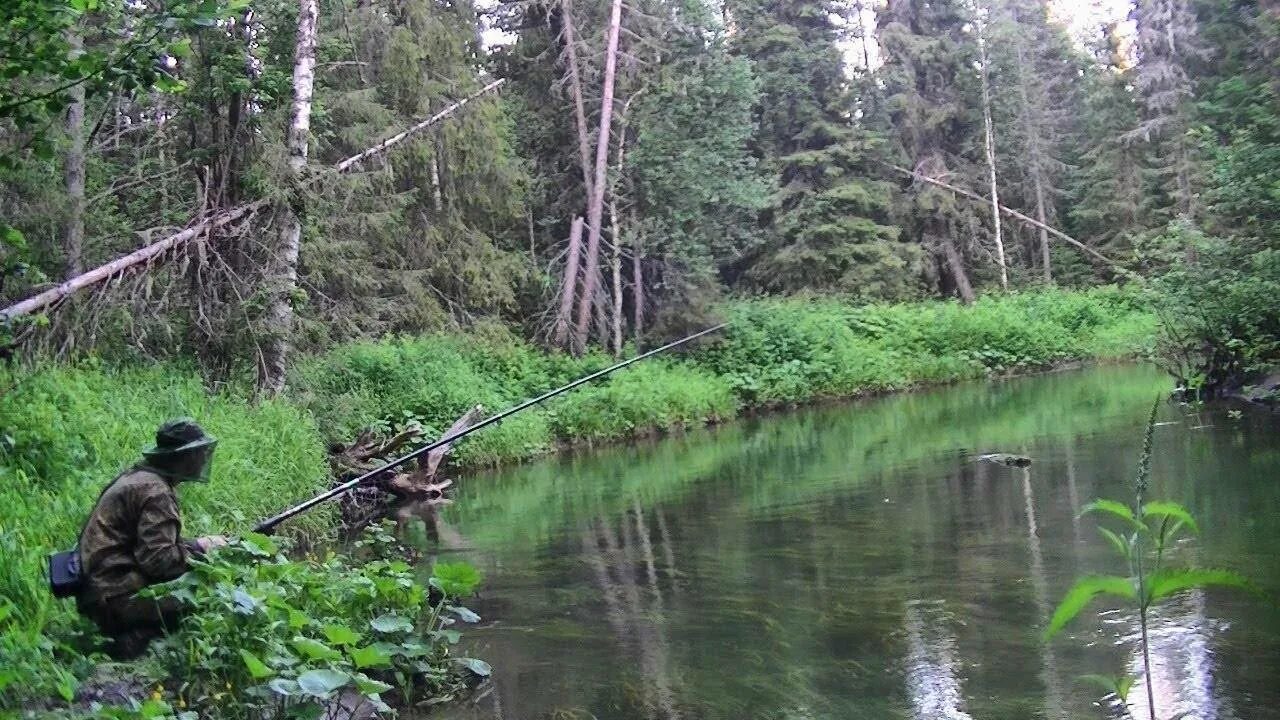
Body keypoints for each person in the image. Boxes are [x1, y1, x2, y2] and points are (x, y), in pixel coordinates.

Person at [76, 418, 227, 658]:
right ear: (183, 457)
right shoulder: (156, 492)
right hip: (114, 596)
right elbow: (159, 561)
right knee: (205, 592)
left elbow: (146, 545)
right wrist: (201, 550)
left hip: (99, 590)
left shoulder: (139, 478)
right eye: (198, 453)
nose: (203, 459)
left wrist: (199, 543)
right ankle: (135, 641)